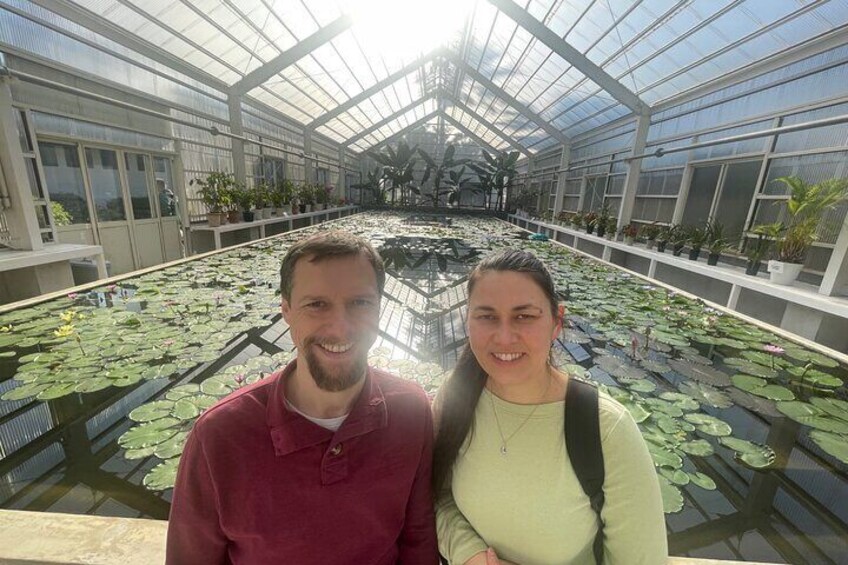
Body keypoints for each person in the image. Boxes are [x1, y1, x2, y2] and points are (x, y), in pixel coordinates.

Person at [166, 230, 438, 564]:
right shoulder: (219, 436)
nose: (340, 328)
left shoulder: (411, 411)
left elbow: (419, 540)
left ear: (380, 308)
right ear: (287, 311)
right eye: (317, 305)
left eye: (360, 303)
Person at [433, 249, 667, 565]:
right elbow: (437, 496)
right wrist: (470, 554)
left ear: (557, 323)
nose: (503, 337)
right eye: (486, 316)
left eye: (524, 316)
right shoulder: (455, 396)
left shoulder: (605, 428)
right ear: (467, 321)